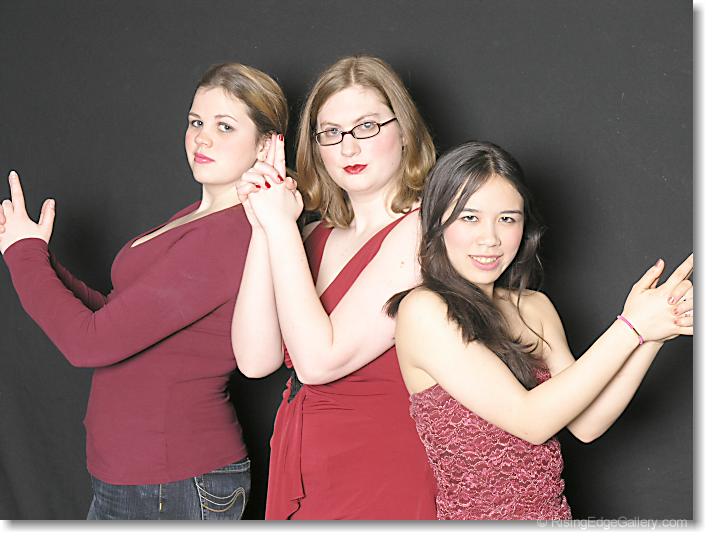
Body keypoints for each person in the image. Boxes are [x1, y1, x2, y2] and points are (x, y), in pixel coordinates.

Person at [0, 63, 289, 520]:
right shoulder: (196, 217)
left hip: (170, 481)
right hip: (143, 478)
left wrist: (24, 257)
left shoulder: (227, 235)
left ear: (266, 144)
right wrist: (37, 255)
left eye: (224, 126)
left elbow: (89, 343)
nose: (202, 139)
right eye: (196, 122)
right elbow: (117, 315)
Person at [385, 141, 694, 520]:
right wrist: (630, 327)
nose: (490, 238)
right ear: (437, 221)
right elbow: (531, 421)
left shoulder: (534, 306)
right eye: (469, 218)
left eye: (507, 219)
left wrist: (652, 335)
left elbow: (587, 424)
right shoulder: (423, 310)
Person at [232, 55, 438, 519]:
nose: (348, 148)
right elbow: (254, 359)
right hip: (307, 467)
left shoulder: (426, 229)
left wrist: (280, 229)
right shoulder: (310, 235)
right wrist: (265, 225)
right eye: (331, 132)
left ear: (405, 131)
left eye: (367, 126)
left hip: (384, 472)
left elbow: (319, 362)